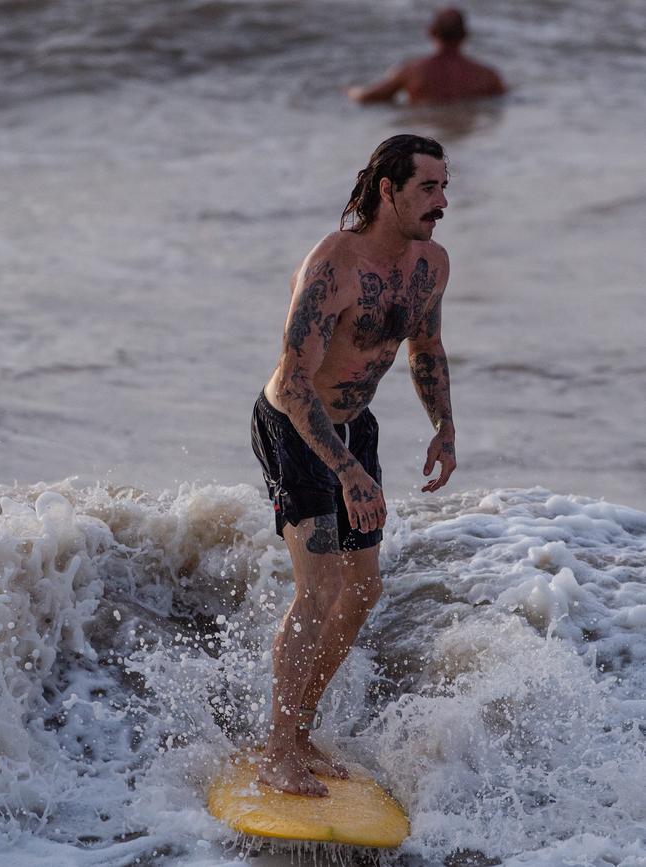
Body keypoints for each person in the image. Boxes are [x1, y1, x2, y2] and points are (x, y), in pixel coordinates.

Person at [251, 134, 457, 796]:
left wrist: (444, 427)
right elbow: (294, 380)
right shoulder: (332, 267)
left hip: (352, 427)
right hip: (296, 424)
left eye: (445, 187)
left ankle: (299, 728)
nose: (443, 202)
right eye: (428, 188)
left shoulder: (431, 265)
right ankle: (277, 751)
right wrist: (346, 471)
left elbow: (426, 346)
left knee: (363, 590)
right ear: (387, 190)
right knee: (317, 589)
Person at [348, 8, 505, 105]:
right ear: (465, 35)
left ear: (430, 32)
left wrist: (350, 90)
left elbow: (368, 97)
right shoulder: (487, 75)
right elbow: (502, 101)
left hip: (426, 134)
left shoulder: (411, 71)